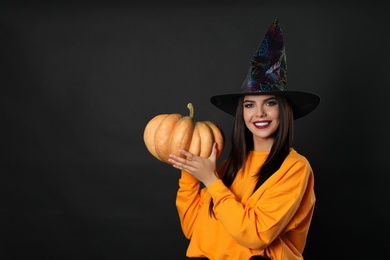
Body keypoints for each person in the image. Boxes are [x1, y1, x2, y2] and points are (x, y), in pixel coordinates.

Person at [168, 19, 320, 260]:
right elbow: (193, 229)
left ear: (284, 110)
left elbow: (255, 235)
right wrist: (189, 171)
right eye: (249, 105)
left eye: (270, 103)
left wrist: (211, 180)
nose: (259, 113)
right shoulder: (231, 165)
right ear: (243, 114)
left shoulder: (294, 168)